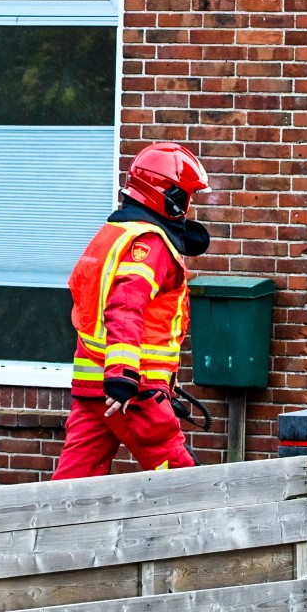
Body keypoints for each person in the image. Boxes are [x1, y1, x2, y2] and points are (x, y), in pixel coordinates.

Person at [55, 142, 213, 480]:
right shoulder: (151, 245)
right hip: (133, 390)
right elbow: (126, 305)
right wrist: (123, 377)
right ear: (167, 196)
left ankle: (42, 534)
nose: (187, 207)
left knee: (72, 486)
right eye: (185, 197)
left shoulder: (113, 234)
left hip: (91, 388)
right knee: (185, 484)